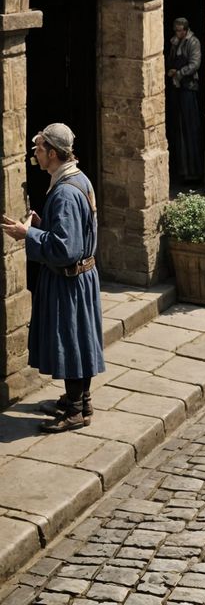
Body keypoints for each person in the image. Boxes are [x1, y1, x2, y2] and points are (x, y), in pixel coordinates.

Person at [2, 123, 105, 431]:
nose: (35, 153)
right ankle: (80, 402)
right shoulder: (78, 179)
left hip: (69, 280)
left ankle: (75, 411)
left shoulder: (65, 193)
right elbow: (72, 233)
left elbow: (66, 249)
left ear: (53, 153)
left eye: (39, 148)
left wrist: (27, 234)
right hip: (80, 277)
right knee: (78, 339)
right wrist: (42, 226)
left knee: (72, 341)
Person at [165, 17, 204, 186]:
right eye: (176, 30)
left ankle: (193, 172)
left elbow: (195, 64)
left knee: (190, 128)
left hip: (188, 88)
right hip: (177, 90)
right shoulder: (175, 43)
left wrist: (179, 73)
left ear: (186, 30)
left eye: (180, 30)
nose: (178, 33)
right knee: (179, 128)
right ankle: (181, 170)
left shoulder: (192, 42)